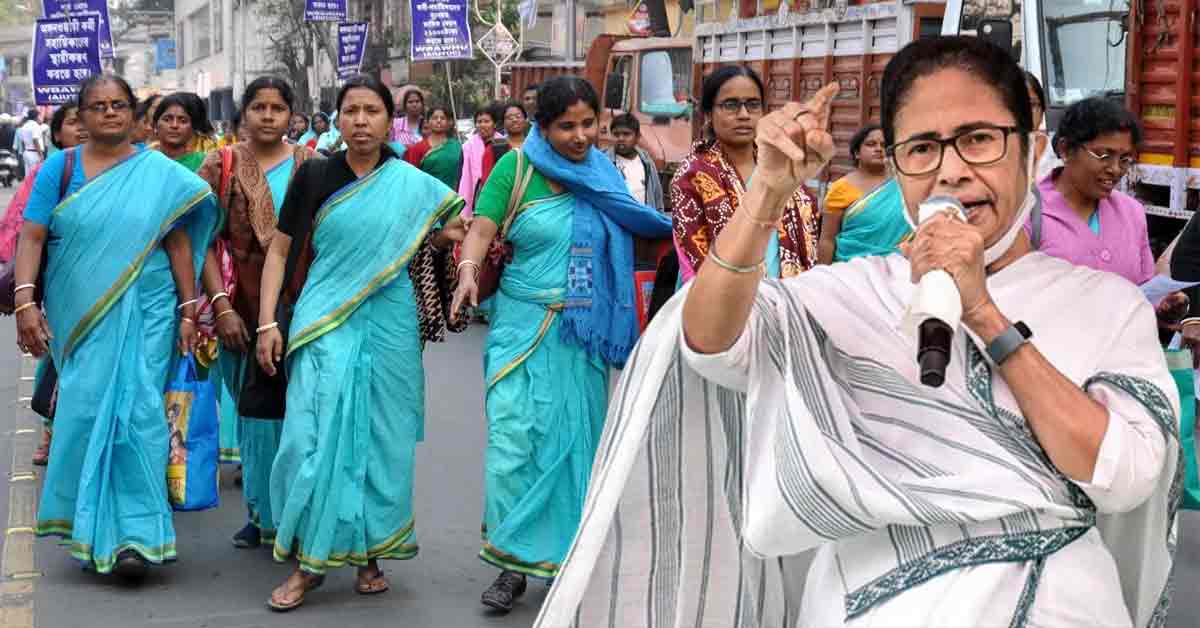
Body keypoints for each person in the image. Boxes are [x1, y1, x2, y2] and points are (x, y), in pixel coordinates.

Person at [533, 36, 1179, 628]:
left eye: (979, 138)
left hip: (1058, 605)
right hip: (869, 605)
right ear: (896, 167)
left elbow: (1123, 475)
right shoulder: (851, 293)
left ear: (1032, 148)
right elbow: (710, 345)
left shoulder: (1106, 305)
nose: (952, 171)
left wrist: (984, 313)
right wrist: (765, 192)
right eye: (922, 148)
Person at [451, 76, 672, 613]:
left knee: (574, 447)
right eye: (565, 126)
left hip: (583, 334)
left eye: (587, 124)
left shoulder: (606, 176)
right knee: (511, 447)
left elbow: (643, 231)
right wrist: (467, 273)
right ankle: (509, 562)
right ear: (542, 128)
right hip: (521, 327)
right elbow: (482, 226)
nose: (579, 136)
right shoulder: (517, 167)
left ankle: (565, 559)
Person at [256, 74, 467, 612]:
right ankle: (310, 561)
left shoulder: (409, 180)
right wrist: (266, 322)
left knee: (380, 437)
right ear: (338, 117)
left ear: (388, 118)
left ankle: (369, 551)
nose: (360, 121)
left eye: (371, 111)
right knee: (314, 433)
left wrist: (455, 245)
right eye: (350, 111)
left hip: (391, 321)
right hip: (325, 317)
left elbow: (452, 226)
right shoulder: (313, 175)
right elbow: (280, 252)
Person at [16, 74, 218, 580]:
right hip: (79, 310)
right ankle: (92, 527)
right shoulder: (59, 169)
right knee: (84, 412)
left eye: (119, 105)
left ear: (134, 114)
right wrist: (24, 303)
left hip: (150, 307)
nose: (109, 113)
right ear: (79, 117)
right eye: (98, 106)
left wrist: (190, 311)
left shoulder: (160, 174)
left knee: (141, 413)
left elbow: (179, 245)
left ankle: (138, 537)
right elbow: (34, 236)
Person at [196, 77, 316, 551]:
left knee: (300, 412)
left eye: (278, 108)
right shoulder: (219, 164)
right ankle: (261, 511)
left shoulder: (314, 164)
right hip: (240, 308)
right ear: (243, 113)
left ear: (292, 115)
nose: (268, 116)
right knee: (254, 414)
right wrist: (221, 308)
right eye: (259, 107)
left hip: (303, 304)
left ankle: (297, 511)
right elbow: (202, 241)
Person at [671, 66, 820, 283]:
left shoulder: (782, 164)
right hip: (717, 302)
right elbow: (695, 258)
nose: (744, 115)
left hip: (786, 301)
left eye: (753, 105)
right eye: (730, 105)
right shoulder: (693, 175)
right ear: (709, 114)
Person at [0, 103, 89, 466]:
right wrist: (25, 297)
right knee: (61, 359)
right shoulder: (51, 174)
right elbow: (19, 231)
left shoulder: (126, 169)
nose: (82, 128)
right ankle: (54, 430)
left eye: (88, 120)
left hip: (121, 285)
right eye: (72, 122)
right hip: (63, 286)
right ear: (56, 134)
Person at [1026, 97, 1153, 285]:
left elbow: (1145, 285)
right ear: (1066, 149)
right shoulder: (1027, 215)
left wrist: (1163, 302)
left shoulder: (1132, 212)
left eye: (1125, 159)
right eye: (1104, 156)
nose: (1116, 169)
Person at [818, 124, 903, 263]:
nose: (878, 149)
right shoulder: (841, 188)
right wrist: (821, 277)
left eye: (884, 145)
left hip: (896, 271)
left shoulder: (904, 184)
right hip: (851, 271)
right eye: (871, 144)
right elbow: (827, 240)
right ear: (857, 153)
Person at [603, 113, 664, 211]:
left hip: (645, 222)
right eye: (616, 134)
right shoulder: (604, 162)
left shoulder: (646, 161)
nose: (621, 139)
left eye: (626, 134)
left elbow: (657, 195)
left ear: (637, 137)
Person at [403, 106, 463, 190]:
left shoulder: (457, 146)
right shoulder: (417, 149)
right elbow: (411, 178)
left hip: (453, 196)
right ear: (427, 122)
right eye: (435, 118)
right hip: (426, 196)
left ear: (449, 122)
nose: (439, 120)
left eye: (443, 118)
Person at [154, 92, 216, 172]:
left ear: (193, 127)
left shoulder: (204, 163)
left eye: (183, 121)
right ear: (155, 124)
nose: (174, 125)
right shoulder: (143, 160)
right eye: (167, 119)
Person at [458, 104, 500, 216]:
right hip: (474, 194)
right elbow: (461, 176)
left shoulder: (503, 143)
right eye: (479, 121)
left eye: (486, 121)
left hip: (497, 193)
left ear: (495, 124)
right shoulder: (467, 146)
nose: (482, 125)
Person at [480, 101, 528, 183]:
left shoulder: (535, 146)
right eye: (509, 117)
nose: (514, 120)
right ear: (503, 123)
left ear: (525, 119)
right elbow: (487, 183)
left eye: (518, 116)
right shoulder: (493, 149)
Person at [17, 109, 45, 175]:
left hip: (27, 152)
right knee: (35, 176)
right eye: (39, 116)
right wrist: (40, 155)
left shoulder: (24, 126)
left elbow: (22, 141)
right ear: (36, 116)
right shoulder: (35, 125)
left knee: (28, 176)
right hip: (34, 154)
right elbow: (35, 140)